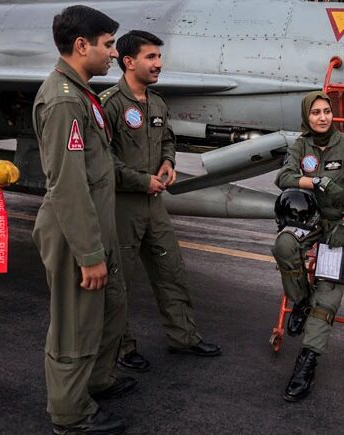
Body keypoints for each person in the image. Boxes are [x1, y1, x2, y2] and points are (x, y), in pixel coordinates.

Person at [32, 6, 136, 434]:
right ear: (82, 46)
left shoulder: (82, 93)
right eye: (108, 45)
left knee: (105, 312)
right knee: (75, 323)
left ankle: (97, 382)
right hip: (75, 231)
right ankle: (70, 415)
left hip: (94, 225)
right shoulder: (62, 100)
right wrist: (90, 253)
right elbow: (68, 186)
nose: (113, 54)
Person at [99, 30, 220, 373]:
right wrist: (141, 181)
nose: (158, 64)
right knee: (117, 283)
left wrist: (168, 163)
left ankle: (184, 337)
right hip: (122, 207)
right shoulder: (109, 105)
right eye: (150, 57)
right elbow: (103, 161)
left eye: (158, 57)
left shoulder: (156, 102)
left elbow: (167, 138)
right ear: (129, 61)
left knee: (172, 271)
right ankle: (120, 348)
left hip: (154, 206)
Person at [272, 91, 344, 402]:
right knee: (284, 245)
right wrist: (314, 182)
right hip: (310, 218)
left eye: (327, 111)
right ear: (307, 117)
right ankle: (300, 301)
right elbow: (284, 177)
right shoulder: (300, 145)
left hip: (340, 226)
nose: (322, 117)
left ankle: (307, 362)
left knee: (327, 294)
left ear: (333, 115)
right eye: (315, 112)